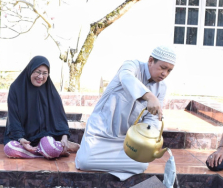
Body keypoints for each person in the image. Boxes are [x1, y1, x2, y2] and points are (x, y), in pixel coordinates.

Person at [75, 46, 176, 180]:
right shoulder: (132, 66)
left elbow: (152, 119)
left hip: (126, 138)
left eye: (169, 70)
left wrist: (150, 137)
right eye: (163, 68)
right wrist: (149, 96)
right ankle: (93, 154)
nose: (165, 74)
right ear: (151, 61)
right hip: (101, 131)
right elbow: (126, 77)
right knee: (84, 162)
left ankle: (102, 160)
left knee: (142, 165)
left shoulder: (161, 88)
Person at [4, 56, 79, 159]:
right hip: (24, 139)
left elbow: (60, 118)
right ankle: (48, 152)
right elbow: (13, 119)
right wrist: (21, 139)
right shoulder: (16, 89)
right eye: (37, 72)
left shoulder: (50, 90)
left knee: (49, 146)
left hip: (45, 137)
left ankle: (48, 150)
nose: (40, 77)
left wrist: (64, 138)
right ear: (30, 70)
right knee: (9, 149)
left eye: (45, 73)